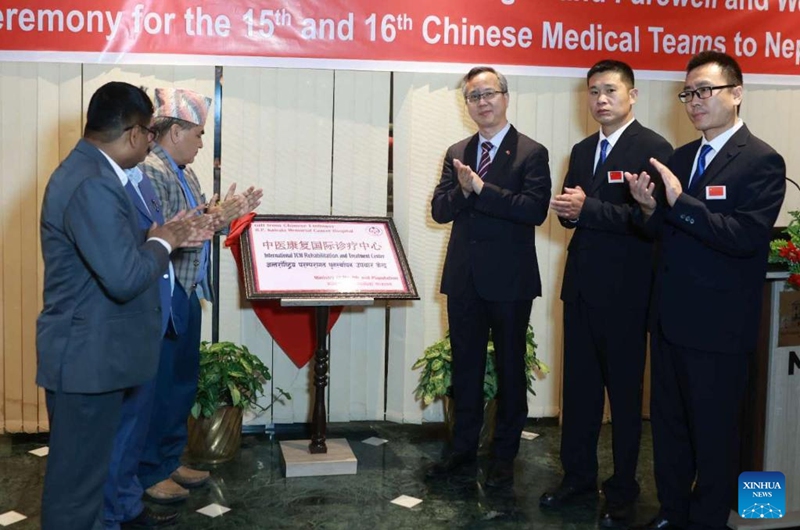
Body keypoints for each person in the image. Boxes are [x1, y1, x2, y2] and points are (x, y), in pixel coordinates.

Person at [36, 81, 213, 530]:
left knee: (90, 485)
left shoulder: (93, 174)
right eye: (150, 135)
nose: (150, 144)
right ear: (135, 133)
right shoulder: (92, 183)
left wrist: (158, 237)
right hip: (84, 358)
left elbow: (113, 255)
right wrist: (162, 239)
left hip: (95, 356)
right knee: (76, 494)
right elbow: (124, 277)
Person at [626, 51, 786, 530]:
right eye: (688, 93)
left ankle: (710, 518)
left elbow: (742, 237)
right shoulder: (681, 156)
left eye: (705, 91)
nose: (694, 101)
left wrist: (680, 201)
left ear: (736, 94)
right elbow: (663, 233)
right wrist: (648, 207)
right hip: (671, 319)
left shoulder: (761, 160)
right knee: (671, 429)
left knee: (714, 433)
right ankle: (672, 511)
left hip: (719, 327)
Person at [542, 60, 673, 527]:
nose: (600, 99)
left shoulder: (654, 149)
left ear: (632, 95)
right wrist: (568, 212)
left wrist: (589, 208)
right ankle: (576, 476)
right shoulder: (581, 149)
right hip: (579, 287)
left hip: (625, 292)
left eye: (610, 90)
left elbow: (652, 223)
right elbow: (571, 213)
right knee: (577, 394)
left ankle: (623, 488)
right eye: (593, 91)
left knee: (622, 396)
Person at [428, 66, 551, 487]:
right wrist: (462, 190)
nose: (482, 102)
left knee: (511, 367)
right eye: (473, 96)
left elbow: (533, 209)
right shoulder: (456, 151)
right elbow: (439, 211)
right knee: (465, 367)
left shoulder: (531, 152)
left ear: (505, 97)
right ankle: (462, 450)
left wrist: (481, 189)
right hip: (464, 277)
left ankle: (504, 454)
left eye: (489, 94)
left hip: (510, 280)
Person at [138, 87, 262, 503]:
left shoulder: (184, 170)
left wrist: (225, 212)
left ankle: (170, 458)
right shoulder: (152, 171)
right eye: (198, 134)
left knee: (180, 382)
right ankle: (150, 471)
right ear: (174, 132)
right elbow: (166, 234)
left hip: (187, 290)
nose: (202, 142)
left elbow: (200, 224)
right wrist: (215, 216)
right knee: (159, 385)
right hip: (163, 294)